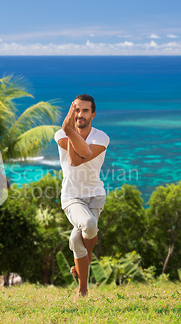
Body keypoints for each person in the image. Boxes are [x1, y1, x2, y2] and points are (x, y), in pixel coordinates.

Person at [54, 94, 110, 297]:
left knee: (77, 240)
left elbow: (83, 155)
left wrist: (70, 129)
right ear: (71, 111)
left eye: (85, 110)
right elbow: (75, 160)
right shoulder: (60, 134)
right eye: (76, 109)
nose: (80, 114)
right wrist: (68, 129)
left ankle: (82, 291)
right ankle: (86, 268)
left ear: (93, 114)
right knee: (88, 224)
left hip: (96, 195)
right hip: (72, 197)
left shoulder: (101, 137)